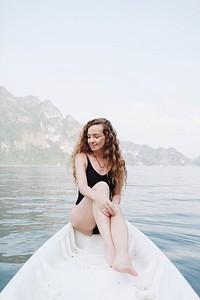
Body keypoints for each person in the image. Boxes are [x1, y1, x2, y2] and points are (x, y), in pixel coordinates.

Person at [69, 118, 137, 276]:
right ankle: (109, 247)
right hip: (83, 219)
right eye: (89, 136)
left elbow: (118, 193)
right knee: (102, 186)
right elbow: (83, 187)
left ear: (107, 137)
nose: (91, 140)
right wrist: (100, 199)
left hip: (103, 219)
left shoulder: (117, 163)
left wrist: (113, 205)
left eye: (96, 136)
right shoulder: (82, 157)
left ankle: (123, 257)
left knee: (117, 207)